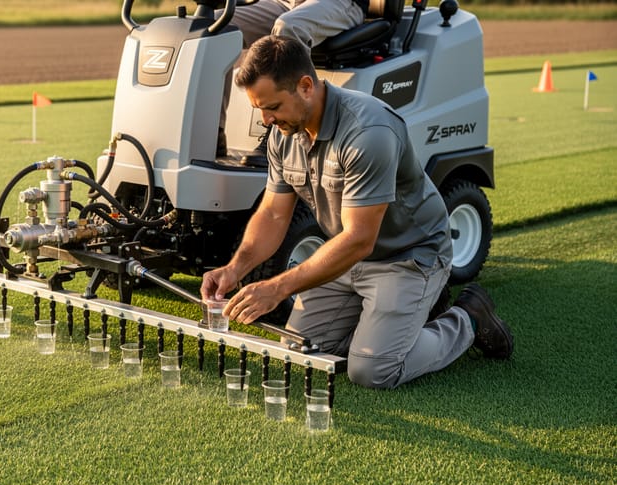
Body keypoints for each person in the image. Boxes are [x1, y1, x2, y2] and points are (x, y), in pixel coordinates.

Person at [201, 35, 513, 389]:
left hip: (409, 256)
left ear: (305, 86)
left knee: (372, 371)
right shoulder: (283, 133)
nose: (266, 119)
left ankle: (466, 320)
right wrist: (234, 268)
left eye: (271, 106)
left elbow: (360, 238)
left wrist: (277, 288)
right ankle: (392, 325)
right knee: (303, 349)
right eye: (259, 108)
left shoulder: (369, 131)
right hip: (345, 258)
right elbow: (273, 214)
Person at [217, 0, 367, 160]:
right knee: (216, 24)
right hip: (285, 3)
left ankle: (278, 139)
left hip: (338, 3)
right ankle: (213, 134)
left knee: (289, 26)